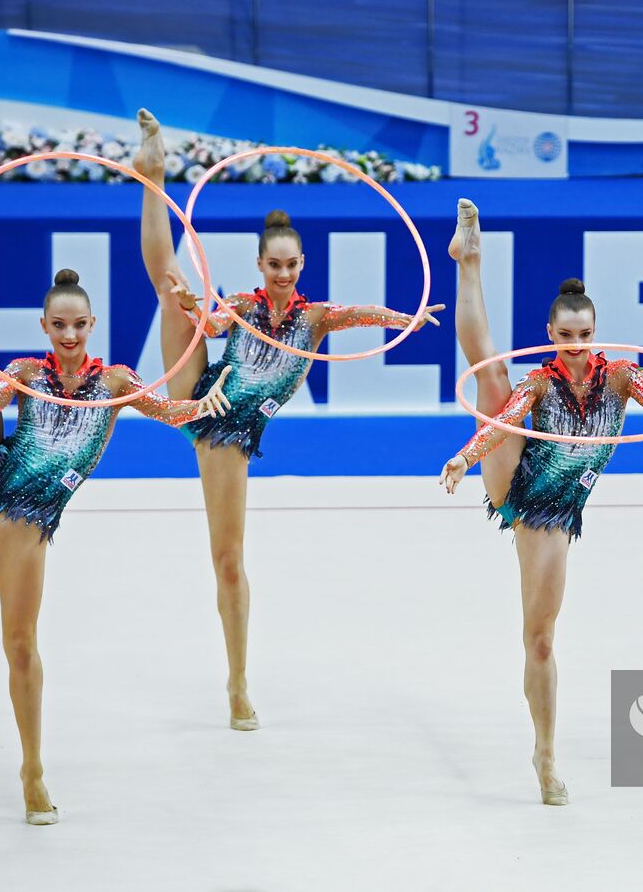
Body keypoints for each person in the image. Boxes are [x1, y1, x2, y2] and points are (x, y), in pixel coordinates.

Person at [0, 154, 231, 824]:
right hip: (0, 493)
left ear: (91, 327)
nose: (67, 335)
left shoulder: (116, 383)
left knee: (20, 646)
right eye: (57, 324)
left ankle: (30, 761)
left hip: (35, 510)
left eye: (77, 325)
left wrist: (202, 408)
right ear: (44, 328)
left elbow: (167, 409)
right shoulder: (29, 368)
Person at [440, 199, 643, 804]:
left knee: (541, 637)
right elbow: (503, 419)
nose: (576, 347)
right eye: (565, 338)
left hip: (562, 510)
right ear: (550, 335)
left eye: (585, 336)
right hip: (522, 487)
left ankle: (541, 750)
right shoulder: (539, 382)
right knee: (491, 381)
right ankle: (470, 261)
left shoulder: (621, 377)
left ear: (597, 332)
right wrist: (465, 457)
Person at [133, 109, 443, 730]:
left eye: (291, 266)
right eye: (273, 266)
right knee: (170, 284)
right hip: (208, 401)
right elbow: (217, 322)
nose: (282, 275)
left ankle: (236, 678)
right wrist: (200, 308)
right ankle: (153, 173)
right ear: (259, 267)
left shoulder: (315, 318)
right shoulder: (244, 303)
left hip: (236, 429)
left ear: (302, 265)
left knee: (228, 560)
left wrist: (406, 317)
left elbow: (360, 314)